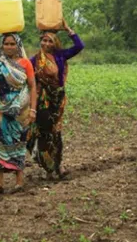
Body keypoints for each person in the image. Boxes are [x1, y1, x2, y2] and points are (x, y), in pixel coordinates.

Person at [0, 33, 38, 193]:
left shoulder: (25, 63)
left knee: (18, 144)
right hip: (1, 110)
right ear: (2, 46)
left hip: (21, 111)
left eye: (12, 44)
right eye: (6, 44)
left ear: (18, 45)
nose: (9, 47)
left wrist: (33, 110)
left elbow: (32, 86)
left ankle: (19, 181)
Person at [28, 25, 85, 180]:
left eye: (50, 41)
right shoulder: (35, 60)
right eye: (44, 40)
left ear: (55, 43)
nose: (46, 44)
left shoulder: (60, 56)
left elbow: (79, 46)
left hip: (57, 99)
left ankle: (58, 165)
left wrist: (68, 30)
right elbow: (25, 74)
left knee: (56, 132)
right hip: (43, 100)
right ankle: (48, 168)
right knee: (45, 133)